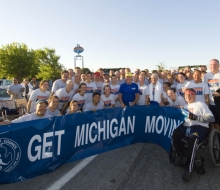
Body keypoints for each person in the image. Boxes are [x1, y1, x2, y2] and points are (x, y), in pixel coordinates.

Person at [172, 88, 214, 181]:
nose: (188, 96)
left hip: (199, 127)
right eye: (186, 95)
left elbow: (212, 119)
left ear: (194, 95)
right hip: (187, 127)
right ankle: (179, 155)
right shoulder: (185, 106)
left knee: (193, 138)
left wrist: (196, 117)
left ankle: (189, 169)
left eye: (190, 95)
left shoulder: (201, 104)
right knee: (176, 132)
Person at [204, 59, 220, 130]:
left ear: (218, 65)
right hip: (209, 102)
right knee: (212, 122)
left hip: (218, 102)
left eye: (215, 64)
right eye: (211, 65)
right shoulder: (206, 75)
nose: (213, 66)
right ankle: (214, 137)